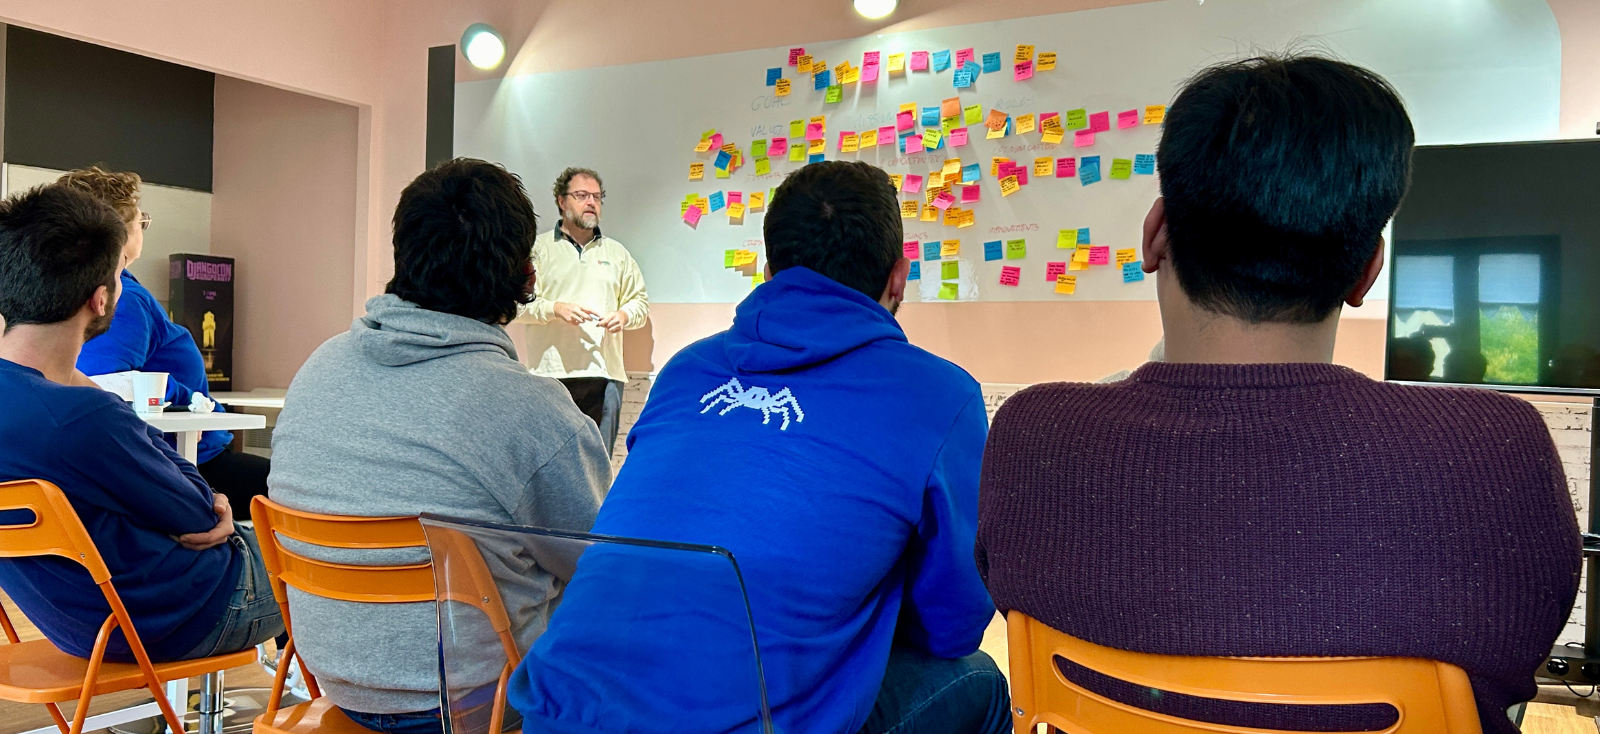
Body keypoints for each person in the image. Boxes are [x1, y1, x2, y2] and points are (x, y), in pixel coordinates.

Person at [976, 55, 1579, 734]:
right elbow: (1519, 658)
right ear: (1366, 271)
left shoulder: (1032, 434)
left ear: (1154, 235)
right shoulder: (1500, 450)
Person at [509, 161, 1009, 734]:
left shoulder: (686, 371)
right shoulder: (939, 395)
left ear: (768, 273)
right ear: (898, 278)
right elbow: (953, 625)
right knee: (979, 678)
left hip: (553, 716)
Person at [268, 158, 611, 733]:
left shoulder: (318, 366)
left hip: (332, 683)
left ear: (403, 260)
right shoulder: (533, 412)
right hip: (478, 707)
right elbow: (606, 565)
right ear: (527, 278)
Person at [0, 183, 282, 663]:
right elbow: (198, 513)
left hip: (74, 625)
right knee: (328, 544)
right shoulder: (85, 418)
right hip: (183, 614)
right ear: (102, 298)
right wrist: (209, 496)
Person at [59, 167, 271, 520]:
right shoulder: (121, 299)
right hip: (183, 463)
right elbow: (102, 383)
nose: (142, 227)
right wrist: (184, 395)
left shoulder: (85, 292)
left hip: (167, 458)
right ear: (121, 231)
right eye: (141, 220)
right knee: (304, 495)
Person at [520, 167, 649, 455]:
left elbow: (639, 303)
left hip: (604, 375)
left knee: (597, 466)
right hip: (549, 375)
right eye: (581, 195)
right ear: (561, 201)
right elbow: (515, 306)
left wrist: (624, 316)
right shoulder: (537, 249)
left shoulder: (617, 254)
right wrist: (555, 309)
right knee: (548, 463)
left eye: (597, 197)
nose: (591, 202)